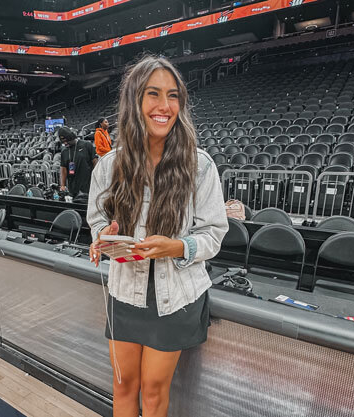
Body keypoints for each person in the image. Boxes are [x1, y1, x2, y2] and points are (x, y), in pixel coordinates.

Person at [87, 55, 228, 417]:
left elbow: (213, 234)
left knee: (152, 392)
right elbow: (97, 219)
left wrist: (177, 246)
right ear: (135, 101)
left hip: (175, 298)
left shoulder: (200, 165)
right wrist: (105, 235)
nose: (164, 106)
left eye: (173, 95)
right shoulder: (109, 165)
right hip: (124, 292)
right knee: (122, 386)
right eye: (153, 94)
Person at [59, 126, 97, 197]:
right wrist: (63, 185)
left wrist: (97, 179)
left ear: (72, 137)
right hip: (72, 187)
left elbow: (95, 162)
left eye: (67, 141)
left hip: (87, 185)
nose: (65, 143)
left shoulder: (86, 145)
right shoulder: (64, 151)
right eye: (63, 142)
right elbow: (63, 169)